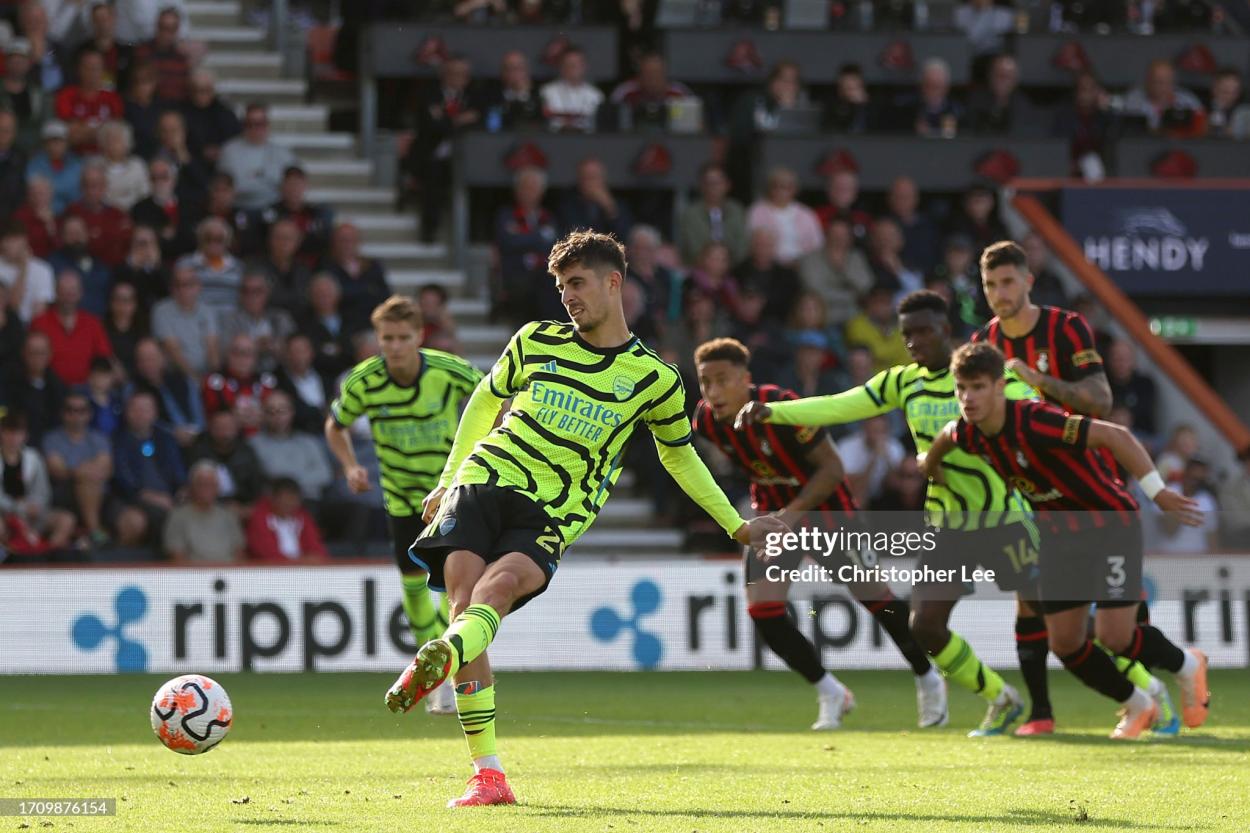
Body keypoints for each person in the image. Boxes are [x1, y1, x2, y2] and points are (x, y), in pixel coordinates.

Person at [383, 231, 786, 807]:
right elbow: (483, 401)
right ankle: (488, 773)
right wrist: (449, 476)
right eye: (559, 286)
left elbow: (679, 455)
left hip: (553, 508)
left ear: (613, 282)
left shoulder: (654, 378)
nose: (566, 297)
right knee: (465, 597)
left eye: (576, 283)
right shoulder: (535, 340)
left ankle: (444, 656)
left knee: (493, 594)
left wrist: (736, 525)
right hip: (486, 478)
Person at [739, 290, 1056, 735]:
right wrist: (775, 412)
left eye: (923, 331)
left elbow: (1042, 417)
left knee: (1056, 617)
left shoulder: (987, 375)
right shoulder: (903, 382)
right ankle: (1000, 696)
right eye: (907, 334)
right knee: (924, 626)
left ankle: (1119, 694)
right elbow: (839, 405)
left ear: (945, 329)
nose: (913, 341)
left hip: (1007, 518)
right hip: (947, 524)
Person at [923, 341, 1210, 739]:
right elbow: (945, 438)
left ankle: (1187, 666)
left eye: (978, 387)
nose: (968, 398)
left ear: (999, 387)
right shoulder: (968, 433)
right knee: (1066, 643)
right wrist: (929, 465)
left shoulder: (1036, 421)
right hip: (1058, 535)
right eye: (961, 389)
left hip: (1110, 526)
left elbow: (1116, 436)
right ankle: (1138, 703)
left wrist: (1158, 492)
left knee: (1115, 637)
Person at [692, 337, 943, 730]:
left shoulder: (783, 406)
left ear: (746, 380)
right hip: (772, 517)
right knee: (763, 611)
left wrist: (791, 515)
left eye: (723, 380)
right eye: (706, 382)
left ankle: (928, 676)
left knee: (877, 601)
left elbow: (832, 470)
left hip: (829, 513)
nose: (713, 392)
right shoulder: (705, 421)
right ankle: (830, 691)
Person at [326, 295, 483, 714]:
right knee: (414, 588)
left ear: (419, 336)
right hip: (400, 500)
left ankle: (453, 671)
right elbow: (335, 425)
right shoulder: (364, 381)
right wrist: (349, 466)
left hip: (449, 497)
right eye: (386, 338)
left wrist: (490, 446)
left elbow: (495, 397)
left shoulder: (448, 372)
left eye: (402, 337)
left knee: (456, 588)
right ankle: (435, 675)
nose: (394, 346)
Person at [111, 390, 186, 547]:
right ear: (127, 412)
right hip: (131, 500)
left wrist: (182, 490)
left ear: (154, 413)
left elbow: (178, 472)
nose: (140, 414)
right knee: (158, 517)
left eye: (145, 409)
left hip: (169, 498)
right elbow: (122, 480)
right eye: (135, 409)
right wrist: (148, 496)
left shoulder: (166, 439)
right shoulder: (117, 440)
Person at [1, 412, 76, 558]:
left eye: (17, 433)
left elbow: (43, 490)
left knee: (66, 520)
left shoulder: (33, 458)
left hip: (32, 513)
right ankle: (10, 558)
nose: (13, 438)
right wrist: (18, 508)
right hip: (5, 515)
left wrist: (36, 505)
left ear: (25, 435)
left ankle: (45, 557)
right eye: (8, 433)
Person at [42, 390, 113, 547]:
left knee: (90, 481)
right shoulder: (52, 438)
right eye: (70, 410)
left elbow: (106, 468)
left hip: (100, 494)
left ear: (89, 414)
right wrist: (81, 471)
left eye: (81, 410)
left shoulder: (98, 438)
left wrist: (81, 470)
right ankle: (95, 530)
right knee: (87, 481)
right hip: (65, 492)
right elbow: (57, 470)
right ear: (63, 413)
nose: (76, 415)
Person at [30, 270, 113, 386]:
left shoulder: (93, 323)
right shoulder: (39, 323)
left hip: (85, 390)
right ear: (56, 293)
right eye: (64, 291)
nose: (68, 296)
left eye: (73, 291)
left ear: (80, 293)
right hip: (49, 390)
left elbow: (104, 357)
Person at [218, 103, 298, 210]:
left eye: (260, 124)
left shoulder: (282, 153)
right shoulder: (229, 151)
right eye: (250, 124)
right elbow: (225, 188)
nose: (256, 128)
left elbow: (293, 185)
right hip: (238, 208)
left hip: (275, 209)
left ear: (267, 124)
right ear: (243, 125)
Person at [163, 460, 244, 563]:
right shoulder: (177, 516)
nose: (207, 489)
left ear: (218, 487)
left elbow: (240, 552)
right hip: (194, 576)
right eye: (202, 484)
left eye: (211, 485)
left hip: (228, 575)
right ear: (192, 486)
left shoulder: (229, 515)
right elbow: (177, 556)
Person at [151, 265, 219, 378]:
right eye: (178, 285)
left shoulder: (207, 311)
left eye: (189, 284)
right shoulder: (161, 310)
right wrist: (195, 379)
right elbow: (173, 352)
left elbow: (212, 348)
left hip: (206, 374)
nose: (183, 289)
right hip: (175, 375)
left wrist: (216, 377)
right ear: (171, 288)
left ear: (199, 286)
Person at [187, 408, 263, 509]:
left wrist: (244, 508)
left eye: (228, 427)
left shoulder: (247, 452)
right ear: (210, 428)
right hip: (205, 504)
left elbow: (256, 488)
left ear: (236, 428)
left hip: (239, 506)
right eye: (219, 427)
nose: (224, 432)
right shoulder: (198, 450)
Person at [746, 167, 822, 266]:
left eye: (786, 187)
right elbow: (750, 244)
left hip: (802, 265)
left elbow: (817, 244)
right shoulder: (757, 211)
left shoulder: (806, 213)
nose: (781, 191)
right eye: (776, 186)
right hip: (769, 266)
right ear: (769, 188)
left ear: (794, 189)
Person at [677, 162, 748, 266]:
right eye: (708, 183)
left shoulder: (737, 210)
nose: (713, 187)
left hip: (734, 270)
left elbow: (743, 246)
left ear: (727, 185)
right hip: (699, 271)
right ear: (701, 186)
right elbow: (691, 248)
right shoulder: (690, 214)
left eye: (718, 182)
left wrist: (727, 264)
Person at [246, 476, 328, 563]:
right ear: (274, 498)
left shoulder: (302, 517)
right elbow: (266, 554)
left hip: (302, 569)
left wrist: (313, 558)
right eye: (286, 499)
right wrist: (301, 561)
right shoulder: (260, 518)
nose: (290, 504)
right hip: (271, 571)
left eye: (294, 499)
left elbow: (316, 547)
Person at [0, 218, 55, 323]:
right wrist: (23, 268)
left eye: (16, 239)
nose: (11, 244)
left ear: (25, 240)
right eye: (7, 239)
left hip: (32, 328)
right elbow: (12, 307)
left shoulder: (43, 269)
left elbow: (40, 310)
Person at [539, 47, 603, 133]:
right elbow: (549, 122)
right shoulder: (547, 91)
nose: (573, 69)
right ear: (561, 67)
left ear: (585, 66)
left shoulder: (596, 95)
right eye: (569, 64)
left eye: (576, 65)